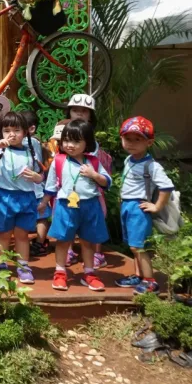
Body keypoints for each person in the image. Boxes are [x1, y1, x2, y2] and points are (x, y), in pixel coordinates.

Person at [42, 120, 111, 292]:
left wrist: (93, 174)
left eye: (75, 141)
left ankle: (89, 273)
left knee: (87, 242)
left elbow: (106, 182)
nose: (69, 145)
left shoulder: (93, 162)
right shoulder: (58, 160)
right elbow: (50, 185)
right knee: (63, 240)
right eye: (66, 140)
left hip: (90, 205)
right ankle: (60, 272)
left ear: (87, 142)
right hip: (66, 206)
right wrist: (43, 203)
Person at [0, 111, 42, 284]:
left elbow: (41, 174)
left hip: (26, 198)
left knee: (22, 235)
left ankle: (23, 266)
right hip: (4, 197)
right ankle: (2, 265)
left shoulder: (31, 151)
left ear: (26, 132)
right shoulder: (0, 151)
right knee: (2, 235)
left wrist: (36, 177)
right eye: (6, 130)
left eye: (17, 130)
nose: (11, 134)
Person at [115, 116, 173, 294]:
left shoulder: (151, 166)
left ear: (149, 142)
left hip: (138, 208)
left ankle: (150, 281)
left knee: (138, 246)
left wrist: (156, 206)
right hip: (127, 206)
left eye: (137, 139)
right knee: (132, 245)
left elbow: (166, 186)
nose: (131, 143)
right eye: (127, 139)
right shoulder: (129, 160)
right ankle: (138, 276)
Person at [65, 94, 111, 268]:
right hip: (70, 186)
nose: (78, 114)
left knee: (96, 219)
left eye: (83, 111)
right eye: (75, 110)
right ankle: (69, 250)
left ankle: (97, 252)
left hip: (92, 187)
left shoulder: (93, 138)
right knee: (69, 218)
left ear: (90, 115)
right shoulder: (64, 131)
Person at [18, 109, 49, 258]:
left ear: (30, 129)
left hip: (30, 186)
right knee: (41, 217)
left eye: (19, 128)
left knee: (39, 217)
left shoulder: (26, 141)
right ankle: (40, 242)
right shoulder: (37, 142)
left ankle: (36, 242)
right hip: (37, 186)